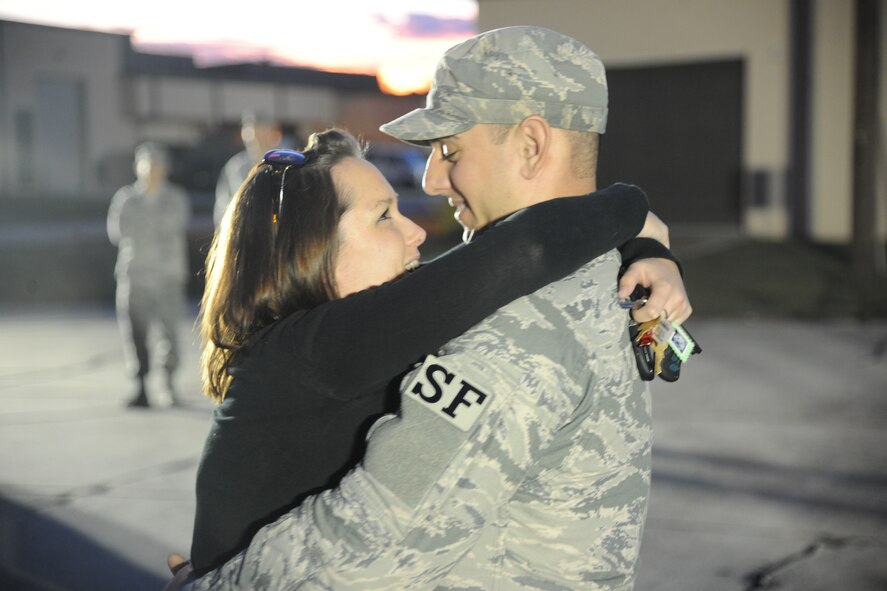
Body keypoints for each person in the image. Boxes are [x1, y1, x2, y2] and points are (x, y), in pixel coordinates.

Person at [170, 26, 691, 590]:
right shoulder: (601, 278)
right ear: (312, 254)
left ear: (532, 145)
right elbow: (524, 250)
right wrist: (637, 222)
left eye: (450, 150)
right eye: (385, 216)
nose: (430, 182)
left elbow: (364, 552)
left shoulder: (518, 325)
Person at [107, 142, 190, 408]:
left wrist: (145, 230)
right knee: (135, 334)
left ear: (166, 168)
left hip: (167, 277)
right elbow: (117, 232)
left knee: (169, 336)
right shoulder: (126, 199)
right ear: (137, 167)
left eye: (158, 164)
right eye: (148, 164)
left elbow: (173, 225)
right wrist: (151, 230)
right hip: (136, 276)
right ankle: (141, 385)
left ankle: (168, 384)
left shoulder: (176, 198)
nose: (153, 169)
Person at [213, 110, 284, 226]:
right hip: (244, 233)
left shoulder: (284, 162)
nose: (255, 135)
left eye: (261, 129)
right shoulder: (236, 167)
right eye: (250, 130)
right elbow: (222, 209)